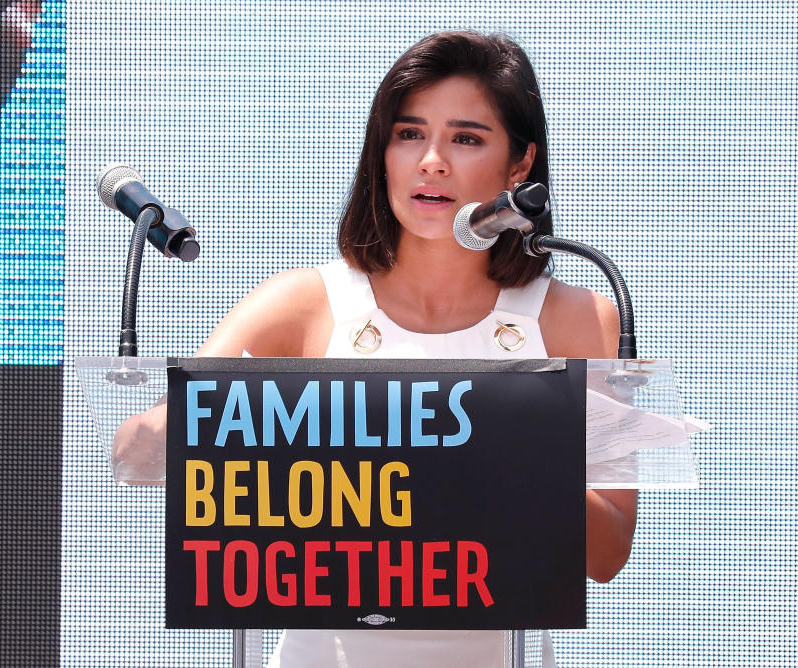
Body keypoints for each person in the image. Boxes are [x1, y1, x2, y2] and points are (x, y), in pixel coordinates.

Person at [114, 30, 636, 668]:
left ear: (521, 166)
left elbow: (608, 552)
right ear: (382, 152)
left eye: (466, 138)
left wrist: (497, 452)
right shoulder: (300, 304)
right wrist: (213, 423)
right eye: (409, 134)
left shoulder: (582, 319)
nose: (432, 161)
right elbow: (135, 452)